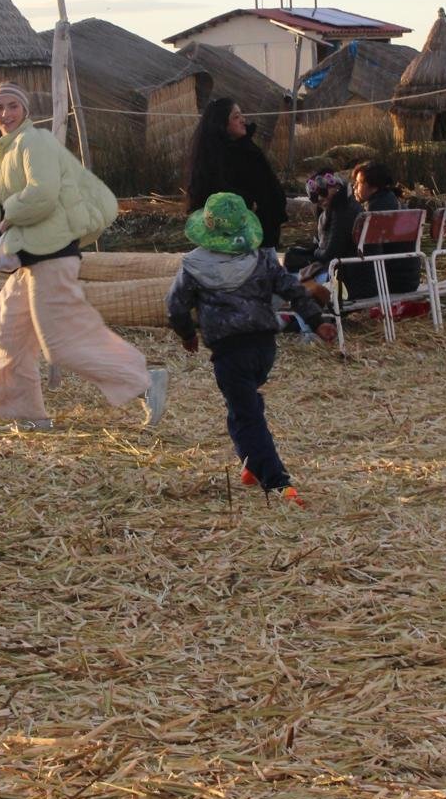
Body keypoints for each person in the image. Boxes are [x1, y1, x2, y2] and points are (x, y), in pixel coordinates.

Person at [0, 82, 168, 429]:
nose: (6, 114)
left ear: (25, 111)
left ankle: (143, 381)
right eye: (0, 107)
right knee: (6, 330)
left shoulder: (32, 141)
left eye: (13, 106)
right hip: (31, 256)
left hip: (51, 254)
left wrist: (9, 213)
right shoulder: (9, 149)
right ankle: (26, 415)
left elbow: (44, 193)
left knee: (61, 343)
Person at [166, 192, 336, 507]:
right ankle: (250, 465)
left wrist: (187, 334)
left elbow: (176, 306)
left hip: (229, 351)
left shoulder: (194, 265)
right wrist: (316, 320)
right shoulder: (260, 259)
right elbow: (292, 289)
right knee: (243, 404)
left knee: (247, 415)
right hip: (263, 348)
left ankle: (278, 482)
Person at [301, 162, 419, 303]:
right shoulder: (396, 205)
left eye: (358, 183)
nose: (355, 187)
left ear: (373, 185)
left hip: (387, 280)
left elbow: (336, 252)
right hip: (410, 278)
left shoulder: (372, 215)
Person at [186, 97, 287, 250]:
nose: (242, 120)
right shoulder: (215, 158)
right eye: (236, 117)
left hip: (266, 229)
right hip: (242, 236)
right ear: (221, 124)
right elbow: (217, 193)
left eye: (241, 115)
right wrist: (248, 202)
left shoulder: (246, 147)